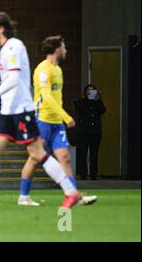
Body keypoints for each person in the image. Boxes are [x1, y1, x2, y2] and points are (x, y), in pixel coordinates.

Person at [0, 12, 82, 210]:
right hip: (8, 110)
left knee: (37, 152)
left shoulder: (14, 46)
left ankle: (71, 192)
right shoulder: (6, 48)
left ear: (0, 29)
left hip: (20, 109)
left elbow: (14, 80)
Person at [19, 35, 97, 206]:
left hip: (56, 123)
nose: (66, 50)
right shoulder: (43, 69)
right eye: (64, 47)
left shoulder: (58, 70)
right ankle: (23, 196)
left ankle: (74, 194)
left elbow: (56, 97)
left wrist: (60, 118)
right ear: (56, 49)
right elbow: (46, 96)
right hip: (42, 120)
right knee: (34, 158)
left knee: (65, 157)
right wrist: (66, 116)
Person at [74, 84, 106, 181]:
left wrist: (97, 100)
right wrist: (87, 99)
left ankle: (93, 175)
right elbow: (79, 109)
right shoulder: (82, 102)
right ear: (85, 92)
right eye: (89, 90)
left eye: (92, 90)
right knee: (83, 153)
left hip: (95, 131)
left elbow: (103, 110)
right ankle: (83, 174)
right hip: (84, 131)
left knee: (94, 153)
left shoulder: (97, 102)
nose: (90, 92)